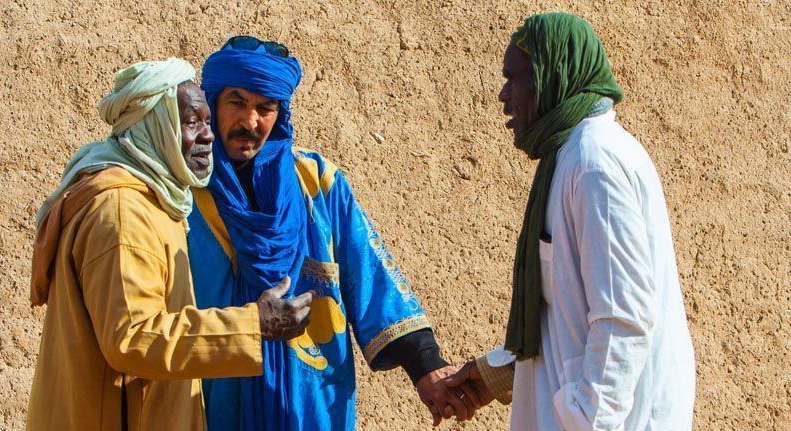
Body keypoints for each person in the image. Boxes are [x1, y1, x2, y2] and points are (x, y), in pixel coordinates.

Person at [186, 36, 477, 430]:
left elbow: (370, 276)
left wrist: (426, 367)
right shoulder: (184, 190)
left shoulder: (316, 181)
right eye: (237, 102)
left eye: (265, 107)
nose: (251, 122)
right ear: (213, 102)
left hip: (314, 404)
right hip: (209, 403)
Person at [26, 58, 313, 431]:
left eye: (207, 121)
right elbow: (133, 337)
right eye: (192, 123)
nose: (208, 137)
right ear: (155, 128)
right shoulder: (123, 211)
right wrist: (253, 325)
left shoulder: (156, 200)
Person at [444, 12, 696, 431]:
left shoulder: (597, 164)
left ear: (550, 75)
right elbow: (566, 313)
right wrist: (499, 372)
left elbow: (622, 317)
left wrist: (586, 420)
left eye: (514, 78)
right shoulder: (569, 159)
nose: (503, 95)